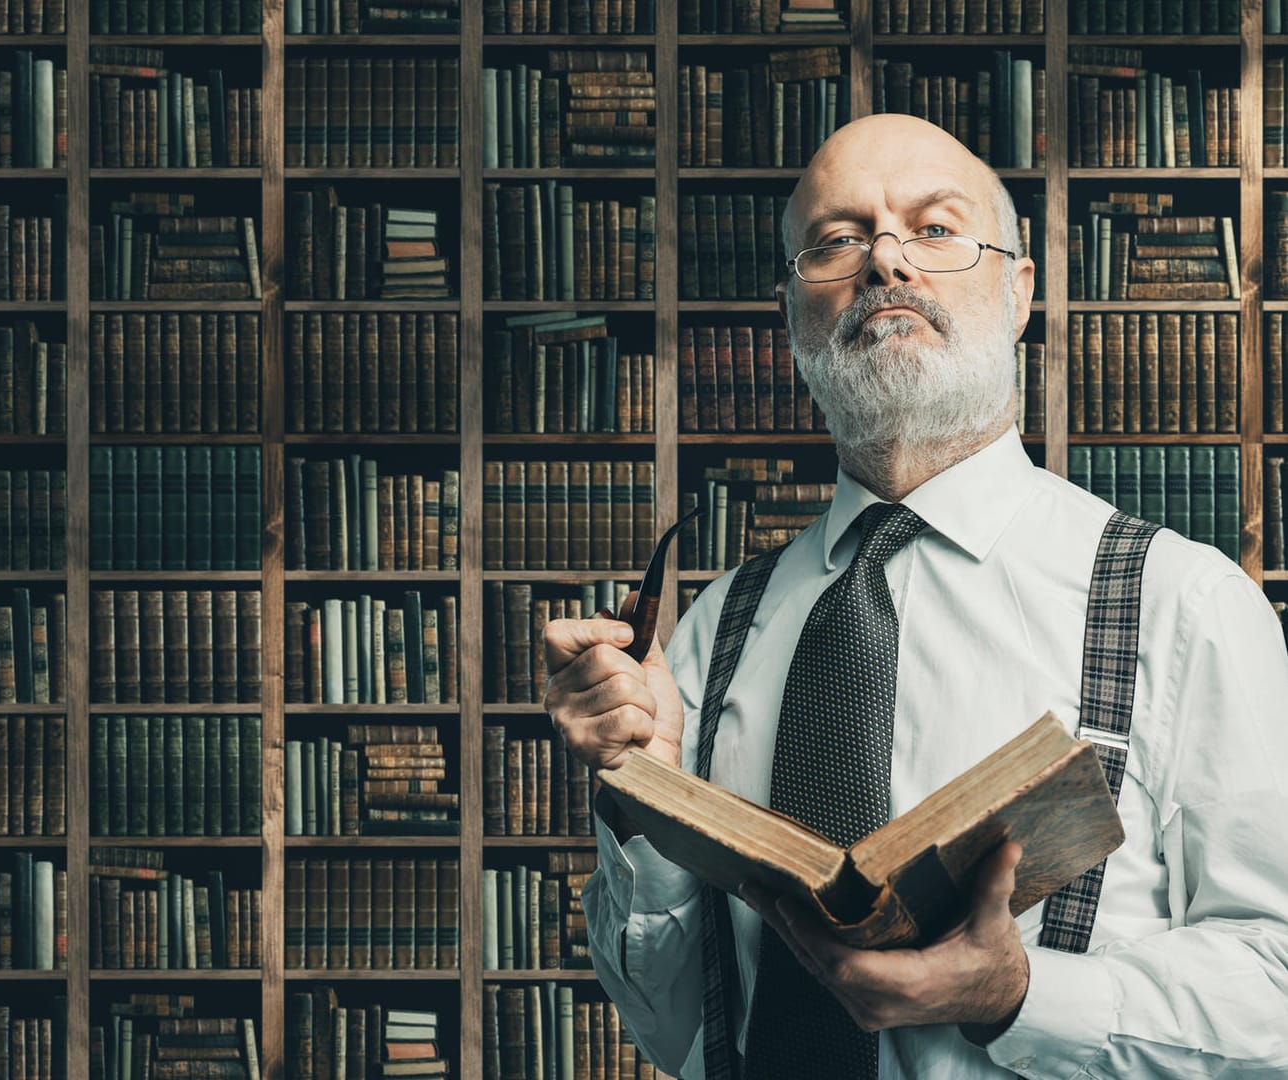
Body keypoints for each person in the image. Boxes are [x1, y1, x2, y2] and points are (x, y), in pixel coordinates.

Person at [543, 112, 1288, 1079]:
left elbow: (1277, 983)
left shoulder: (1182, 603)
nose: (885, 263)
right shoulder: (712, 629)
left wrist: (1022, 1000)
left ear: (1018, 291)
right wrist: (642, 801)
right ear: (793, 312)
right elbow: (678, 1025)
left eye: (934, 230)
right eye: (838, 240)